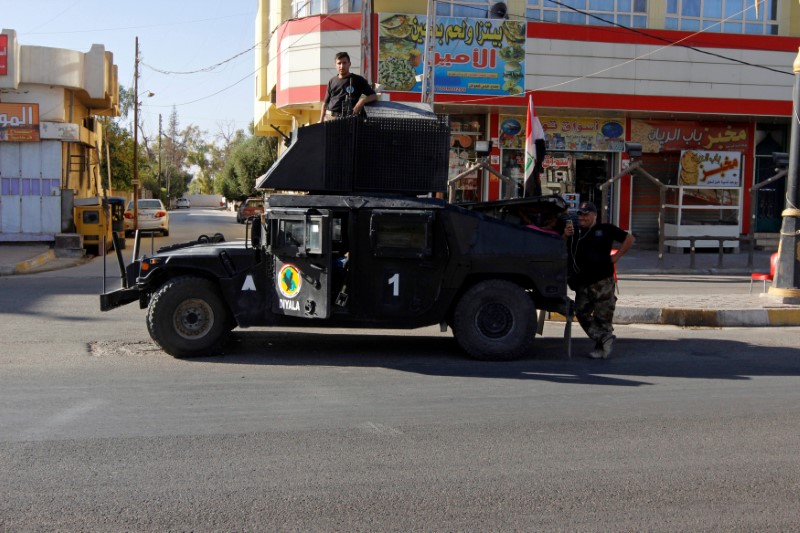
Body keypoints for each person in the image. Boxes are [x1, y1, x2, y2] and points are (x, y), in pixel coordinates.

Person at [563, 201, 634, 359]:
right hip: (583, 281)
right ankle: (603, 338)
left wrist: (617, 256)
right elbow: (562, 249)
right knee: (581, 312)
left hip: (602, 281)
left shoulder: (605, 229)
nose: (582, 218)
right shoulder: (576, 232)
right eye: (580, 214)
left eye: (586, 214)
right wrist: (566, 236)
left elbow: (629, 238)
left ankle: (601, 348)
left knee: (603, 316)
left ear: (595, 215)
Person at [319, 52, 377, 122]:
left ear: (349, 64)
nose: (342, 66)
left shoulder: (358, 80)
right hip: (330, 119)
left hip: (348, 120)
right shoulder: (332, 81)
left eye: (344, 63)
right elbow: (325, 103)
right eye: (339, 63)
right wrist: (321, 121)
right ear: (335, 65)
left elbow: (373, 96)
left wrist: (362, 101)